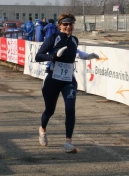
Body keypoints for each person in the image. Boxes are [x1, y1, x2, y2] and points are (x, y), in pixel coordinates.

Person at [35, 13, 99, 153]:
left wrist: (87, 56)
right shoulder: (53, 38)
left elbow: (75, 51)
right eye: (65, 24)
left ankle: (68, 142)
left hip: (68, 80)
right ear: (60, 26)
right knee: (50, 110)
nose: (68, 27)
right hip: (52, 79)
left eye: (71, 24)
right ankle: (42, 129)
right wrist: (53, 56)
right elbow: (38, 56)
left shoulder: (74, 40)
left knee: (70, 110)